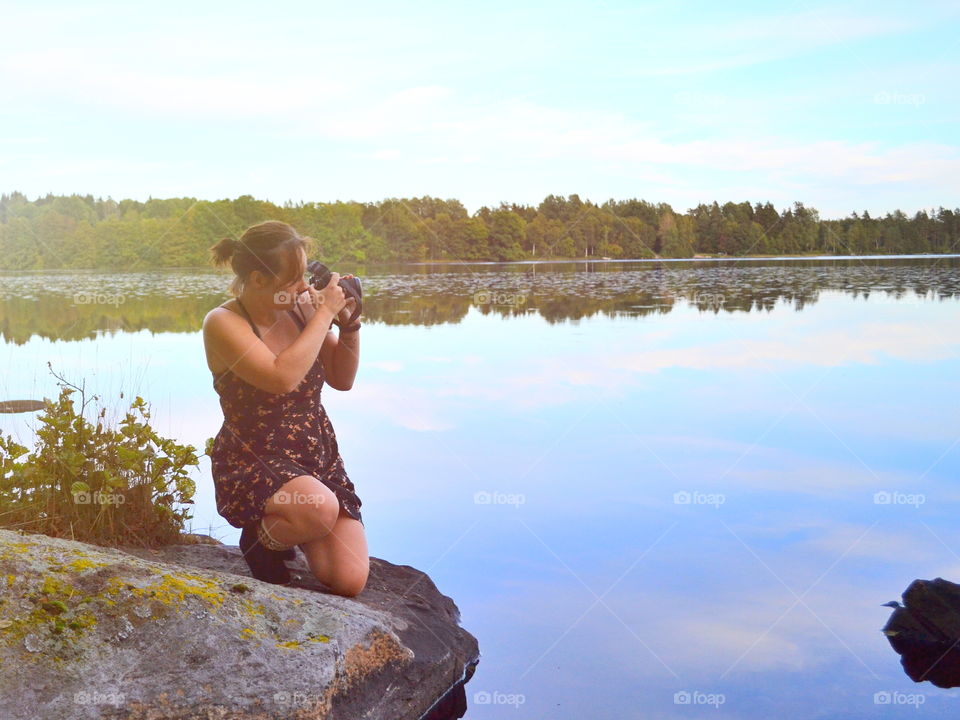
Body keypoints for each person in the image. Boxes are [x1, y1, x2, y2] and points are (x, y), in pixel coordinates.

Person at [203, 220, 367, 596]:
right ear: (259, 279)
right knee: (317, 508)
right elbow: (281, 378)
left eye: (305, 275)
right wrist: (324, 314)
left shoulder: (299, 312)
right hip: (255, 455)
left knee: (349, 580)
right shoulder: (223, 322)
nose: (305, 287)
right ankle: (262, 541)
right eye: (293, 279)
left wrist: (350, 325)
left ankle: (296, 527)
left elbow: (342, 379)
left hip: (315, 452)